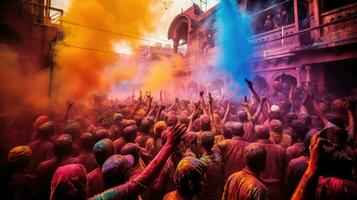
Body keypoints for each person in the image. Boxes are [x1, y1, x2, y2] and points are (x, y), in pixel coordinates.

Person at [91, 124, 187, 200]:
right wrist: (169, 144)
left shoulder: (100, 194)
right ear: (125, 176)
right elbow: (144, 180)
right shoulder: (125, 192)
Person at [34, 134, 78, 200]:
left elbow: (37, 190)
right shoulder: (75, 164)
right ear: (70, 149)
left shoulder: (42, 166)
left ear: (54, 149)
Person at [253, 125, 287, 200]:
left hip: (257, 187)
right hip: (277, 187)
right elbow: (286, 168)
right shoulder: (280, 149)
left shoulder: (252, 148)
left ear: (256, 135)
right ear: (269, 135)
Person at [198, 131, 223, 200]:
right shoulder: (218, 153)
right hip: (218, 191)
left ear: (200, 144)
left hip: (208, 194)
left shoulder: (201, 162)